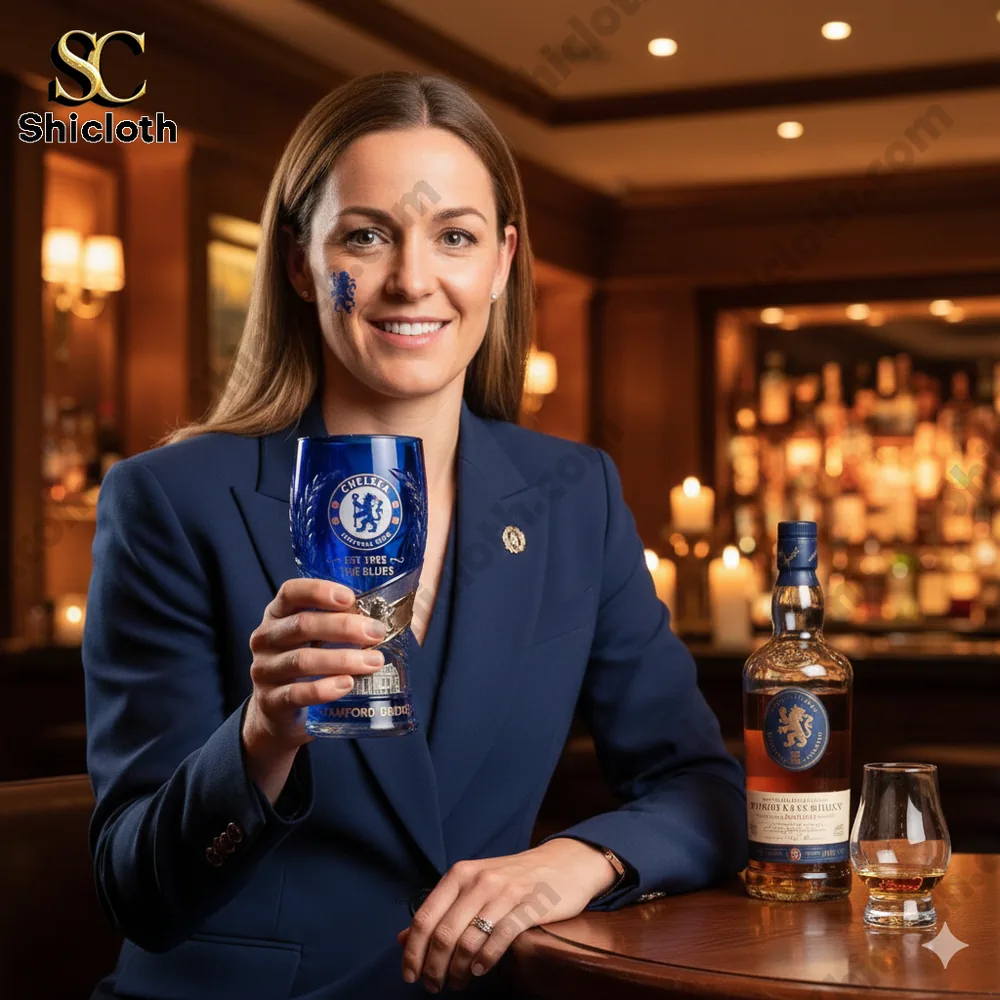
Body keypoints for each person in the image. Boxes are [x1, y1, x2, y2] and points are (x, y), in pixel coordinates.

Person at [84, 71, 747, 1000]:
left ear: (502, 262)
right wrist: (263, 737)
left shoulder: (571, 497)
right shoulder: (169, 500)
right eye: (365, 235)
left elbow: (705, 791)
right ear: (300, 262)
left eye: (456, 238)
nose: (412, 280)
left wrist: (578, 859)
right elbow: (135, 890)